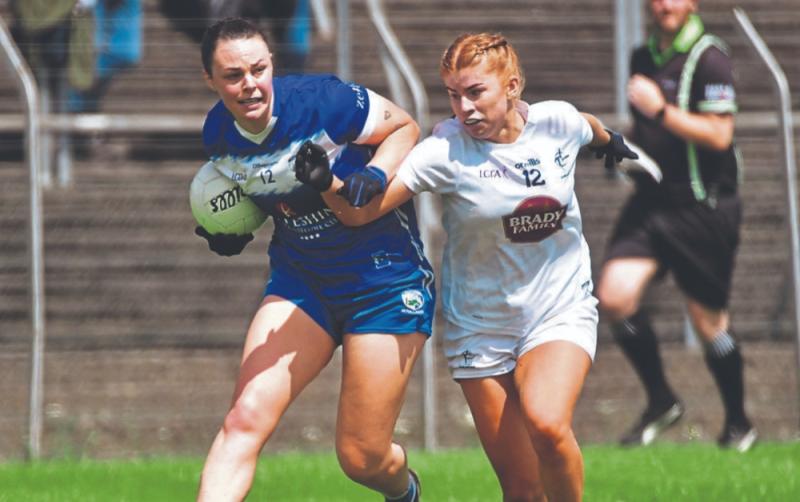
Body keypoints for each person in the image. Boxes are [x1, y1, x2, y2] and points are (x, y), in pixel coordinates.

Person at [295, 32, 637, 502]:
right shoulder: (445, 150)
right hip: (480, 325)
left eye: (476, 92)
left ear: (512, 86)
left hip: (558, 308)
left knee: (547, 423)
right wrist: (328, 183)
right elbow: (361, 214)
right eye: (454, 95)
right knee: (521, 489)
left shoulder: (556, 121)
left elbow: (587, 126)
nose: (464, 108)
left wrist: (609, 141)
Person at [194, 18, 433, 502]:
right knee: (243, 419)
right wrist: (232, 230)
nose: (250, 85)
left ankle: (404, 492)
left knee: (362, 456)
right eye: (233, 76)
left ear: (271, 64)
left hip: (382, 280)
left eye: (258, 70)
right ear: (211, 80)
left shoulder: (323, 101)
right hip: (302, 281)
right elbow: (264, 189)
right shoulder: (218, 134)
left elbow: (405, 127)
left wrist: (376, 174)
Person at [595, 0, 757, 452]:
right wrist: (622, 152)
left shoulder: (710, 57)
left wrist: (661, 110)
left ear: (692, 3)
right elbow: (647, 129)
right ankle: (661, 400)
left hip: (702, 204)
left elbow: (720, 135)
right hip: (651, 203)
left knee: (708, 324)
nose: (665, 5)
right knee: (613, 296)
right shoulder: (641, 56)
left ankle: (739, 424)